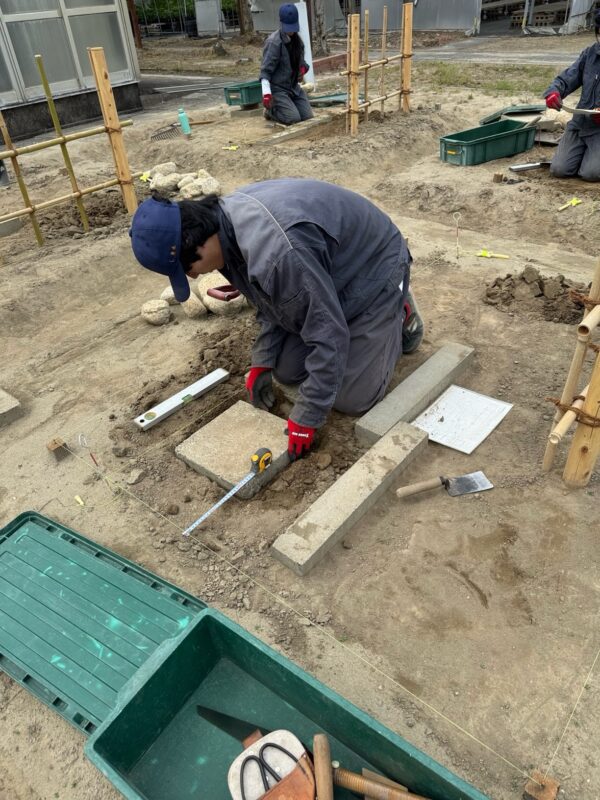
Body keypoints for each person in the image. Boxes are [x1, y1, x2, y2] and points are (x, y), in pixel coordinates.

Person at [130, 179, 424, 460]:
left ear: (197, 241)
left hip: (373, 269)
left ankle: (397, 309)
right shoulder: (224, 229)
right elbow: (271, 300)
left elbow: (329, 334)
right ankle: (338, 313)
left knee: (352, 399)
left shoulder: (278, 252)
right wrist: (263, 360)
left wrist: (307, 418)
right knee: (286, 370)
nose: (193, 276)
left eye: (187, 268)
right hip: (326, 275)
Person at [544, 10, 600, 182]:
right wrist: (554, 91)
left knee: (591, 174)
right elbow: (567, 78)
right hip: (580, 124)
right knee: (559, 169)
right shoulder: (590, 54)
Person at [260, 3, 314, 126]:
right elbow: (265, 72)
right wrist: (267, 94)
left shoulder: (298, 42)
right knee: (293, 119)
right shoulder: (274, 42)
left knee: (307, 117)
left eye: (293, 27)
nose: (291, 31)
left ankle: (288, 106)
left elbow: (302, 63)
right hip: (278, 89)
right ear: (281, 23)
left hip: (293, 87)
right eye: (288, 27)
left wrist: (302, 69)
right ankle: (270, 111)